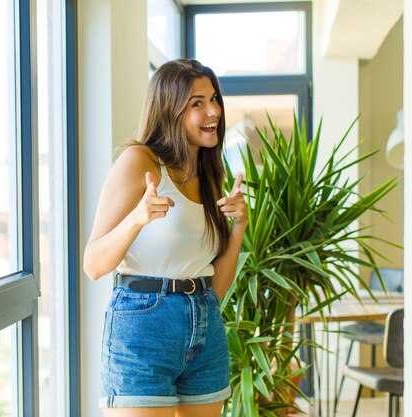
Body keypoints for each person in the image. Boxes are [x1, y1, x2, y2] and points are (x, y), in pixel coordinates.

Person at [83, 58, 247, 417]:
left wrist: (238, 229)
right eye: (197, 103)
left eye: (214, 98)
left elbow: (215, 289)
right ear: (171, 110)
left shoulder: (208, 173)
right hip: (144, 326)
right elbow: (93, 265)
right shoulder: (140, 161)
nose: (213, 111)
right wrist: (137, 220)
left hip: (204, 323)